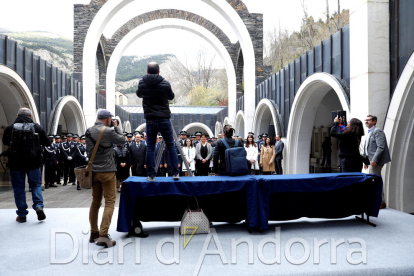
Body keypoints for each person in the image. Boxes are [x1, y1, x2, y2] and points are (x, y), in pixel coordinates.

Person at [86, 109, 143, 247]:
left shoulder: (88, 130)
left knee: (95, 202)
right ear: (107, 119)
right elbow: (122, 140)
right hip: (107, 171)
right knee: (110, 202)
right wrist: (116, 125)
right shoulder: (108, 131)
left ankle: (94, 232)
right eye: (110, 119)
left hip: (93, 171)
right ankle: (103, 235)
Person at [2, 108, 50, 223]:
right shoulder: (37, 127)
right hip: (34, 163)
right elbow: (47, 142)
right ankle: (38, 206)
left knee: (19, 188)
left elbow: (5, 141)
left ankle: (22, 214)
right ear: (31, 116)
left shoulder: (10, 128)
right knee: (35, 185)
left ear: (17, 115)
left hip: (16, 163)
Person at [136, 61, 180, 181]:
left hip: (150, 119)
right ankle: (175, 173)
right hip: (164, 118)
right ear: (159, 72)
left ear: (147, 71)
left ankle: (151, 175)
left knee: (150, 146)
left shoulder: (142, 82)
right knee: (171, 146)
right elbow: (171, 96)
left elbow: (139, 94)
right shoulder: (165, 83)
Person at [363, 115, 391, 209]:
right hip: (371, 160)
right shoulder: (370, 132)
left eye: (368, 120)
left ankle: (380, 202)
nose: (366, 121)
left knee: (375, 181)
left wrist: (374, 159)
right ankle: (377, 201)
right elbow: (368, 148)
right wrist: (366, 161)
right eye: (366, 120)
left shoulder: (377, 131)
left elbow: (380, 147)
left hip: (376, 161)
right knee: (373, 180)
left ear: (374, 121)